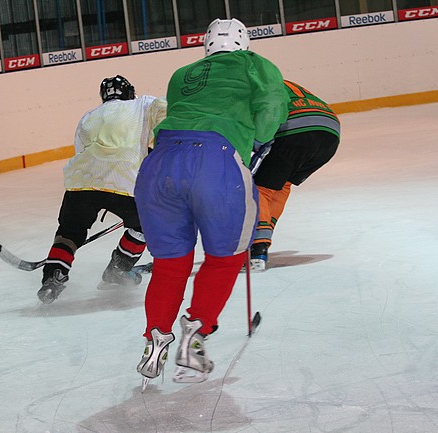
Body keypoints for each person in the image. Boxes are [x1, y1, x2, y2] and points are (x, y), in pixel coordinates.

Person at [133, 18, 289, 388]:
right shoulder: (254, 64)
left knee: (170, 263)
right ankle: (195, 337)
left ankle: (155, 341)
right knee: (225, 258)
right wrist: (258, 140)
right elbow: (272, 105)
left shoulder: (182, 73)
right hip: (214, 161)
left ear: (206, 46)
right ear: (244, 43)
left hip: (159, 165)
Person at [37, 75, 167, 304]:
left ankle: (53, 277)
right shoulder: (144, 104)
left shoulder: (88, 117)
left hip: (82, 181)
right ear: (130, 93)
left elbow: (81, 151)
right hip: (125, 181)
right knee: (145, 226)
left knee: (70, 231)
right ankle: (118, 269)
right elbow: (168, 114)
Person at [249, 80, 341, 271]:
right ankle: (262, 238)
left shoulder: (247, 86)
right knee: (282, 184)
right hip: (330, 132)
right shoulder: (276, 80)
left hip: (296, 130)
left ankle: (258, 249)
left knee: (260, 188)